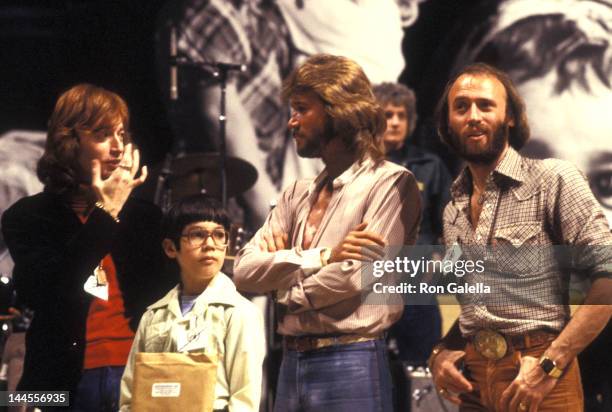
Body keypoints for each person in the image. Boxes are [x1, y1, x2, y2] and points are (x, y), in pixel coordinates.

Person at [233, 54, 421, 412]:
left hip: (353, 358)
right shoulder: (294, 193)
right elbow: (243, 271)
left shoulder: (391, 183)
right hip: (290, 362)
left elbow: (356, 276)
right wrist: (321, 257)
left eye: (302, 108)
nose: (291, 121)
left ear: (338, 110)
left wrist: (284, 288)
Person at [450, 2, 612, 409]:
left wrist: (550, 364)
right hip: (481, 379)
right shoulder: (454, 202)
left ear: (508, 119)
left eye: (608, 180)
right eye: (462, 107)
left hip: (546, 370)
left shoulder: (559, 177)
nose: (474, 117)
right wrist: (442, 352)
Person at [165, 0, 424, 228]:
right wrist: (267, 210)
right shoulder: (216, 6)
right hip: (232, 194)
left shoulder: (269, 10)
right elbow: (220, 112)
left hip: (280, 181)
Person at [1, 84, 176, 410]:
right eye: (102, 134)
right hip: (60, 380)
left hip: (137, 370)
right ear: (69, 142)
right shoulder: (27, 217)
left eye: (121, 135)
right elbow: (52, 290)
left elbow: (166, 301)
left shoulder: (146, 218)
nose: (117, 147)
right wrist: (107, 213)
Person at [120, 194, 265, 411]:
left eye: (218, 235)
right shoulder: (153, 315)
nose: (209, 245)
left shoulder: (240, 312)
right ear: (171, 248)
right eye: (197, 235)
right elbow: (130, 394)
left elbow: (244, 397)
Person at [373, 82, 451, 366]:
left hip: (418, 285)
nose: (394, 122)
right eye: (388, 114)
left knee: (424, 368)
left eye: (401, 115)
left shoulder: (430, 165)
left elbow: (450, 228)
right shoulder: (358, 165)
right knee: (372, 372)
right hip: (370, 285)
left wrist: (439, 265)